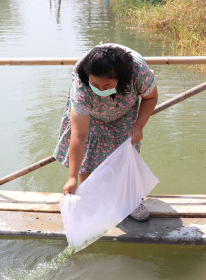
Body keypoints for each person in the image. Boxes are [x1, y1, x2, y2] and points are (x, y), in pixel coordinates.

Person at [54, 43, 158, 222]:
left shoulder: (138, 71)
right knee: (89, 154)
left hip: (124, 111)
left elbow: (151, 97)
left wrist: (139, 125)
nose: (101, 90)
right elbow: (79, 136)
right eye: (95, 85)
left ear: (121, 78)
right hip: (91, 115)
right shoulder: (81, 84)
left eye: (107, 85)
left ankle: (129, 201)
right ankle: (90, 197)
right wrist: (71, 178)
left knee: (125, 155)